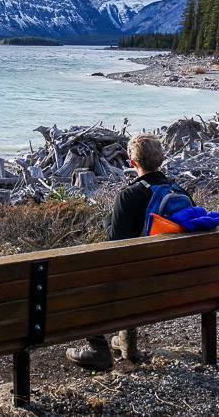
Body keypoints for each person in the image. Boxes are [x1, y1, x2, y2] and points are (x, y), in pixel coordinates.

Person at [65, 132, 173, 370]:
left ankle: (98, 350)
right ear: (161, 161)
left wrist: (108, 221)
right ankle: (127, 344)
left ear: (132, 162)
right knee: (134, 268)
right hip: (175, 286)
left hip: (134, 285)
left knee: (85, 277)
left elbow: (115, 242)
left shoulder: (130, 195)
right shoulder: (179, 193)